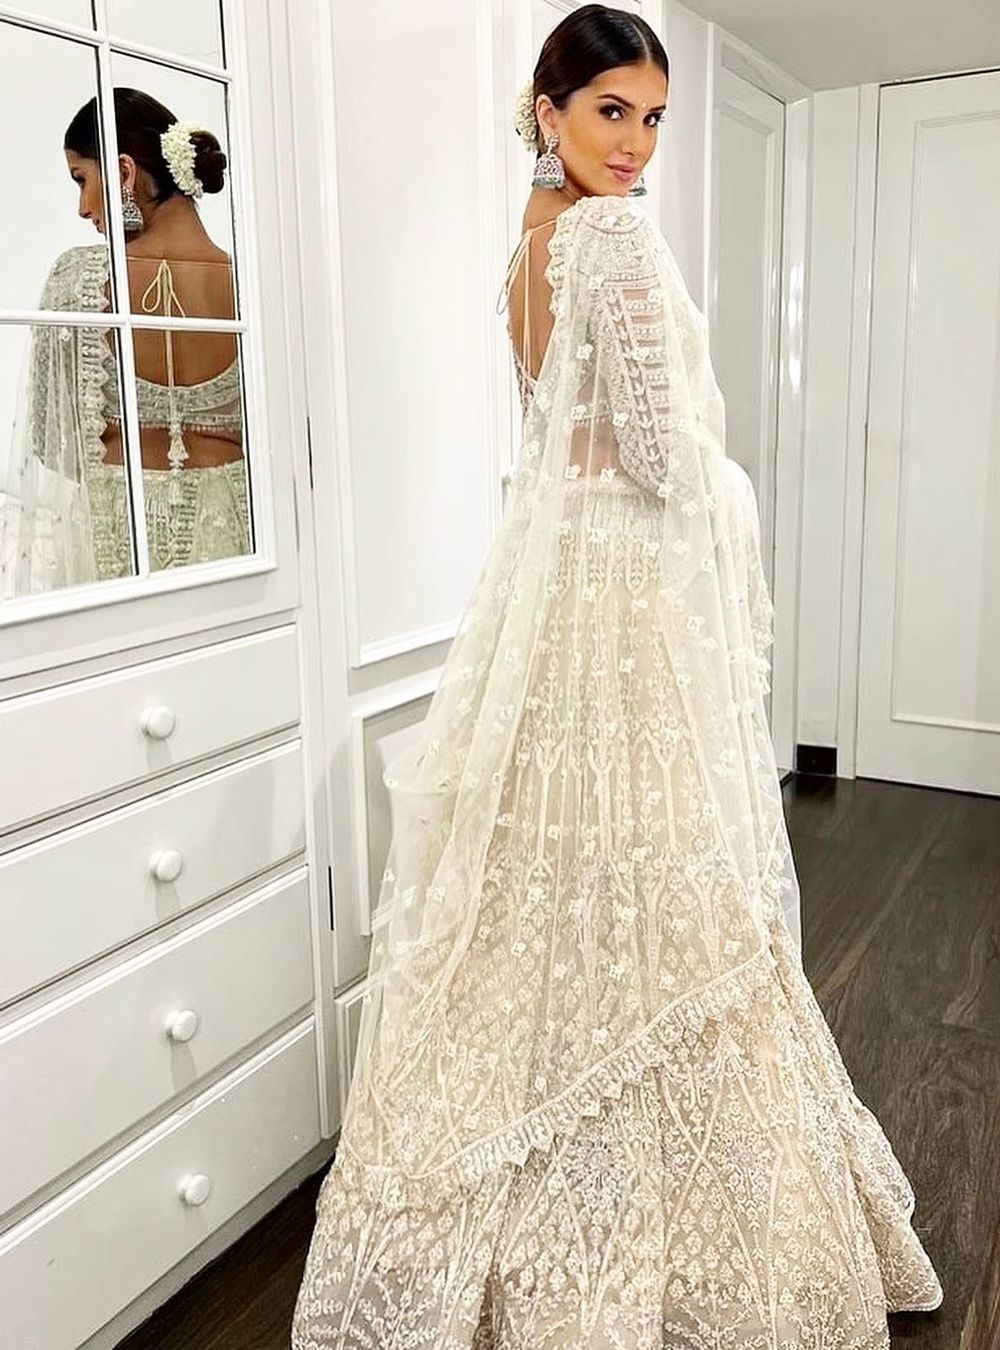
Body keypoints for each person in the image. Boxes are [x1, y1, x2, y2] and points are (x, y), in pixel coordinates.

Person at [291, 7, 943, 1345]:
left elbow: (557, 422)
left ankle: (515, 1189)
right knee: (666, 870)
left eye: (652, 119)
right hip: (629, 579)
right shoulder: (611, 236)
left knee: (546, 872)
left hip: (549, 583)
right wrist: (724, 480)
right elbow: (656, 449)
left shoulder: (527, 242)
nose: (635, 144)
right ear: (549, 111)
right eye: (610, 111)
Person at [0, 88, 249, 598]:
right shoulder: (251, 285)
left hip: (121, 531)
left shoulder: (77, 280)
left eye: (81, 180)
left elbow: (51, 438)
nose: (81, 207)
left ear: (124, 172)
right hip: (236, 540)